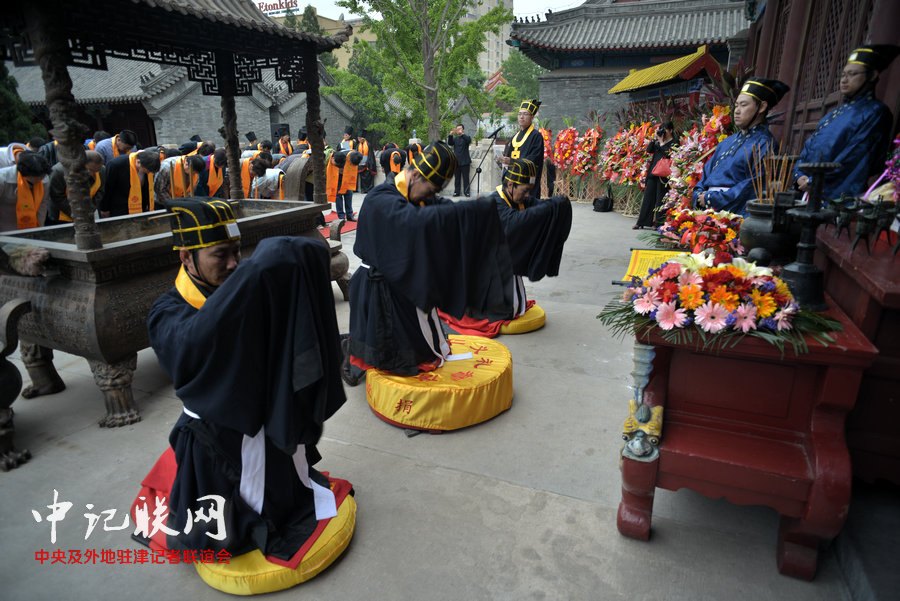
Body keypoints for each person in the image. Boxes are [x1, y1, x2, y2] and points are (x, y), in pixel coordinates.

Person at [138, 197, 350, 561]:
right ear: (186, 257)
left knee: (289, 500)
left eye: (238, 252)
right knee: (228, 531)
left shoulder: (243, 285)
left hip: (268, 422)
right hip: (218, 438)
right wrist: (253, 276)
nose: (234, 264)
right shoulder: (167, 313)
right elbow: (194, 350)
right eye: (221, 255)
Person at [343, 141, 514, 384]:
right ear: (414, 175)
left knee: (425, 350)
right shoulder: (380, 199)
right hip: (377, 290)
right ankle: (349, 351)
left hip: (403, 286)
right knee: (405, 361)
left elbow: (440, 210)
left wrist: (476, 212)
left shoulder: (417, 194)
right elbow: (414, 221)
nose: (432, 197)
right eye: (431, 190)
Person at [439, 158, 572, 337]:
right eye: (525, 191)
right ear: (510, 184)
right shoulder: (495, 203)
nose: (527, 196)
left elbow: (535, 206)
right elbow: (514, 222)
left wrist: (556, 204)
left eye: (529, 191)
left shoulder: (516, 198)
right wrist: (550, 207)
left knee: (513, 305)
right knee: (502, 310)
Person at [794, 44, 899, 203]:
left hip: (839, 196)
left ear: (872, 75)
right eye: (843, 75)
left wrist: (815, 180)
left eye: (852, 74)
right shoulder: (834, 114)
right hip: (811, 190)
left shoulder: (876, 112)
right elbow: (809, 148)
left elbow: (855, 157)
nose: (844, 79)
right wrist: (799, 174)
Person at [693, 77, 789, 216]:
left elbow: (753, 187)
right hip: (707, 212)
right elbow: (706, 173)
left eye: (743, 105)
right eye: (736, 105)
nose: (737, 111)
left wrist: (710, 198)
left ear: (761, 107)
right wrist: (698, 193)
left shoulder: (764, 144)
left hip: (733, 217)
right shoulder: (727, 142)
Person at [634, 121, 677, 229]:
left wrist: (662, 143)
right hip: (653, 172)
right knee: (648, 198)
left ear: (671, 130)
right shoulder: (658, 140)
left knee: (660, 199)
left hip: (664, 175)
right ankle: (641, 222)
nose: (663, 131)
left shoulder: (675, 142)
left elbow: (669, 154)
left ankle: (658, 223)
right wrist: (655, 139)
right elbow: (649, 150)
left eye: (665, 129)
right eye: (661, 129)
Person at [47, 150, 105, 224]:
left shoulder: (101, 170)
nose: (91, 174)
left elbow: (100, 192)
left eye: (95, 171)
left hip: (86, 213)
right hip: (61, 215)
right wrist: (77, 215)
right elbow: (57, 197)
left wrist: (90, 210)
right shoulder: (59, 172)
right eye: (90, 170)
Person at [500, 99, 544, 198]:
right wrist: (504, 161)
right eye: (519, 114)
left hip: (526, 181)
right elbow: (509, 156)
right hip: (512, 179)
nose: (521, 117)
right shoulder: (515, 136)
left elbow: (534, 159)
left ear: (532, 117)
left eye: (525, 114)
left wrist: (513, 161)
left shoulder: (536, 136)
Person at [99, 148, 161, 217]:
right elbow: (107, 188)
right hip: (120, 207)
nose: (148, 173)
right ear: (138, 162)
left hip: (141, 206)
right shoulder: (116, 165)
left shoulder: (148, 167)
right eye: (147, 171)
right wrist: (104, 208)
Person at [0, 150, 51, 230]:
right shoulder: (2, 179)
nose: (39, 180)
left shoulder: (44, 180)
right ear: (24, 173)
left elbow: (43, 204)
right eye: (36, 177)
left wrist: (39, 229)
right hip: (5, 225)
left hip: (31, 225)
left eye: (42, 177)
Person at [326, 150, 362, 220]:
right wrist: (341, 170)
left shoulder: (357, 155)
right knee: (338, 196)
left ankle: (349, 215)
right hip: (338, 177)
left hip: (348, 178)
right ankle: (341, 216)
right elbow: (334, 163)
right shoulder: (340, 155)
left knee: (348, 195)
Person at [447, 124, 472, 197]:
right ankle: (456, 192)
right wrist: (451, 135)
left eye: (460, 129)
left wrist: (462, 134)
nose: (458, 131)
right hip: (456, 162)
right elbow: (450, 143)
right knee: (457, 178)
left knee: (466, 178)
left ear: (463, 130)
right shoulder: (455, 139)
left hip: (465, 161)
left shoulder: (466, 138)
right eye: (457, 129)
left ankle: (467, 192)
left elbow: (469, 140)